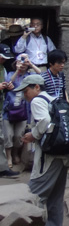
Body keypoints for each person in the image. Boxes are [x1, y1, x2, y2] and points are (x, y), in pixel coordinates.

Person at [19, 73, 69, 226]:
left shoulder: (37, 101)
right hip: (63, 154)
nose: (25, 96)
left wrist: (33, 134)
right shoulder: (54, 100)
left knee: (33, 196)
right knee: (55, 199)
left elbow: (45, 123)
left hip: (48, 157)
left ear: (37, 87)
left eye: (26, 91)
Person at [4, 52, 38, 169]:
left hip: (23, 111)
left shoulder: (29, 76)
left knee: (18, 136)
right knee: (8, 135)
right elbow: (8, 83)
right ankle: (8, 156)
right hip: (9, 110)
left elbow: (42, 76)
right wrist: (17, 71)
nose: (22, 64)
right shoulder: (11, 73)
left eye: (24, 62)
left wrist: (31, 64)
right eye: (20, 62)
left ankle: (15, 153)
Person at [0, 45, 19, 177]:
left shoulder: (3, 69)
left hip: (0, 106)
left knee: (1, 138)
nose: (3, 60)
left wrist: (8, 86)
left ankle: (2, 168)